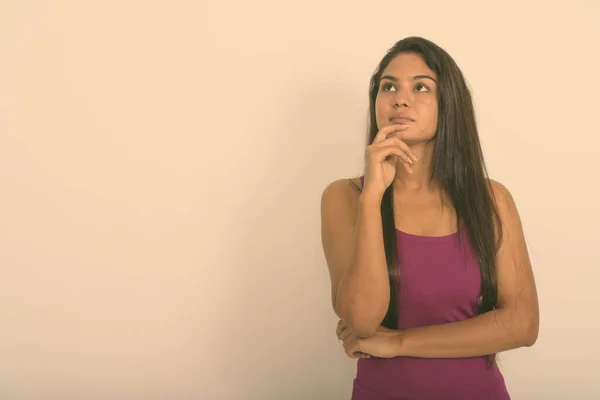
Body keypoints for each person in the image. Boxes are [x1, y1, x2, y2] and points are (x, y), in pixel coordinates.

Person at [320, 36, 539, 400]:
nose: (399, 99)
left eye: (420, 87)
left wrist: (399, 342)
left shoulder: (491, 200)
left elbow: (522, 324)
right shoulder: (346, 197)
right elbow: (361, 319)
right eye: (388, 86)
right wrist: (373, 196)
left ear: (448, 104)